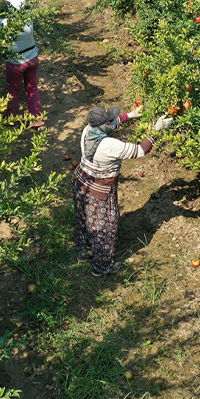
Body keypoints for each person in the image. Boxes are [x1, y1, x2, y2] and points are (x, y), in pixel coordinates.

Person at [73, 104, 172, 276]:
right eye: (109, 119)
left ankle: (84, 251)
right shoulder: (109, 145)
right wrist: (157, 131)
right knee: (104, 228)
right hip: (99, 192)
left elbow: (111, 124)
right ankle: (101, 267)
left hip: (80, 183)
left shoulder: (88, 131)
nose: (112, 122)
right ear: (103, 125)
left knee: (84, 219)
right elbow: (140, 151)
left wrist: (130, 115)